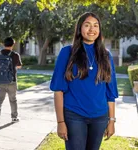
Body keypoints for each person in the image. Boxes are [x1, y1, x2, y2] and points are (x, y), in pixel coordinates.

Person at [50, 12, 118, 150]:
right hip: (74, 115)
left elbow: (110, 93)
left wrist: (111, 120)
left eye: (95, 25)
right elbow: (58, 90)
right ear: (80, 29)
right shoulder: (67, 52)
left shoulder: (106, 55)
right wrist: (60, 122)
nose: (92, 29)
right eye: (87, 25)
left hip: (100, 117)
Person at [0, 37, 22, 127]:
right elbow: (19, 66)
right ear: (13, 45)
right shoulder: (15, 54)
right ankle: (14, 117)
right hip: (12, 82)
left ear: (3, 44)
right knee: (13, 100)